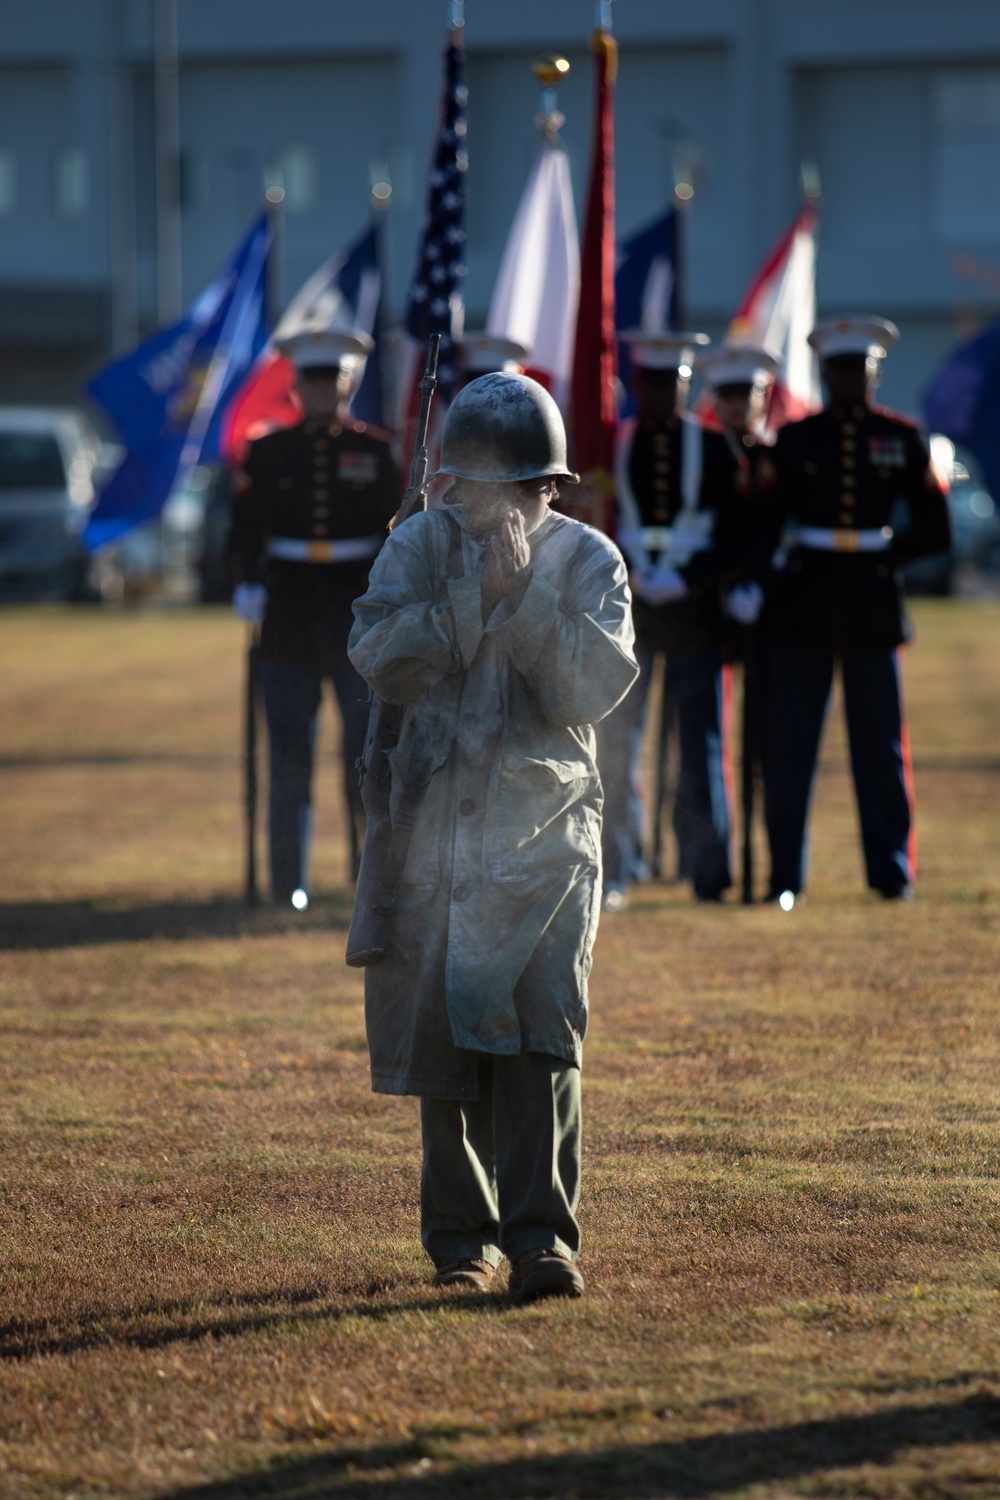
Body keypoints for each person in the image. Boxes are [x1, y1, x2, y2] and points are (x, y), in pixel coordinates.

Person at [348, 372, 637, 1302]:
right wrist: (473, 604)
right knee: (443, 1046)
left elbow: (593, 688)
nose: (485, 508)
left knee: (542, 1038)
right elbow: (381, 658)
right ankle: (460, 1248)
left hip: (548, 842)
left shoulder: (590, 561)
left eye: (511, 490)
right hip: (428, 840)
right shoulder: (417, 549)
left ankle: (544, 1241)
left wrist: (527, 601)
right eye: (466, 486)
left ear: (546, 489)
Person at [760, 315, 952, 902]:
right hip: (806, 603)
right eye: (838, 370)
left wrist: (887, 558)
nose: (848, 380)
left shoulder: (903, 436)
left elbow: (934, 527)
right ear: (824, 373)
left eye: (858, 371)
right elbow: (768, 521)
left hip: (871, 603)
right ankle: (785, 878)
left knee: (881, 748)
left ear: (874, 374)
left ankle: (891, 873)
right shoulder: (796, 439)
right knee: (789, 749)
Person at [229, 327, 400, 905]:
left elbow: (392, 538)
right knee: (288, 757)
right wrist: (248, 583)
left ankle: (368, 875)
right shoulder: (269, 451)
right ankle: (288, 882)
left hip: (356, 614)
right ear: (297, 387)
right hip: (288, 615)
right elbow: (245, 533)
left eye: (334, 381)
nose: (324, 392)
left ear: (348, 385)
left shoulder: (377, 452)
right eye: (313, 381)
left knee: (365, 756)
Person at [599, 331, 750, 908]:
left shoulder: (715, 448)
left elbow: (735, 532)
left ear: (688, 386)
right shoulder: (617, 442)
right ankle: (617, 865)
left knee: (702, 745)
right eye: (653, 384)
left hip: (694, 610)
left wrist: (691, 579)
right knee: (618, 743)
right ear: (638, 386)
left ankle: (707, 869)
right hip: (629, 608)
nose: (663, 394)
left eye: (674, 384)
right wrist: (628, 572)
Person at [695, 344, 781, 902]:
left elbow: (775, 528)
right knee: (709, 737)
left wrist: (758, 582)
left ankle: (770, 869)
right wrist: (727, 583)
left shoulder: (775, 457)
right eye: (724, 395)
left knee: (765, 744)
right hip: (712, 609)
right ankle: (713, 867)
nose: (733, 405)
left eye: (742, 395)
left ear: (760, 398)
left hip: (767, 613)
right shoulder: (700, 454)